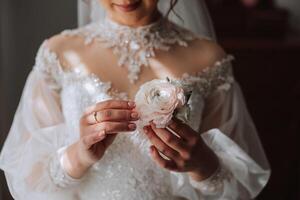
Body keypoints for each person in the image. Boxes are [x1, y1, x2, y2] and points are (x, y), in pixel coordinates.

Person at [0, 0, 270, 199]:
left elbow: (236, 183)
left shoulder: (208, 58)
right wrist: (79, 154)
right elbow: (27, 176)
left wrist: (202, 164)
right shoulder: (59, 54)